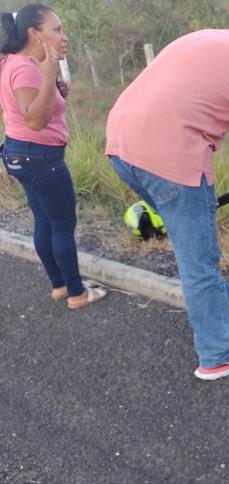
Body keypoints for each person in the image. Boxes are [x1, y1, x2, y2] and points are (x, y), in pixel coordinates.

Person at [105, 19, 229, 380]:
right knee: (199, 260)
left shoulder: (203, 36)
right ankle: (217, 355)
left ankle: (218, 294)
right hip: (170, 157)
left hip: (119, 149)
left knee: (191, 235)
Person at [0, 4, 107, 309]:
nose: (64, 37)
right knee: (62, 225)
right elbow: (34, 119)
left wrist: (54, 91)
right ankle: (76, 293)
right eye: (57, 30)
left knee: (45, 222)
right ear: (34, 33)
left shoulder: (11, 61)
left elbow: (25, 107)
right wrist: (48, 78)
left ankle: (59, 285)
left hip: (21, 155)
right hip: (41, 159)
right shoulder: (25, 67)